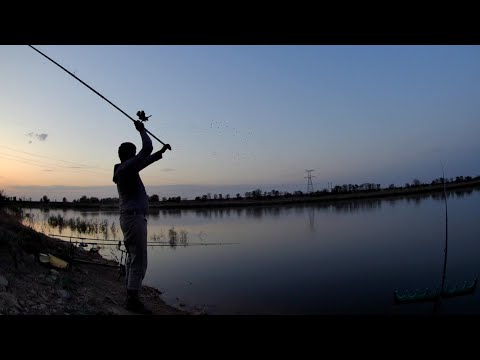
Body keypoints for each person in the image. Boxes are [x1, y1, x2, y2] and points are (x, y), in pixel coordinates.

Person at [112, 120, 171, 314]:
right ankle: (132, 300)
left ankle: (131, 295)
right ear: (129, 155)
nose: (137, 155)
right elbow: (147, 148)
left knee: (132, 258)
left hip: (131, 219)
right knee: (139, 261)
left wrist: (160, 154)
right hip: (134, 219)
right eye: (134, 152)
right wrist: (142, 130)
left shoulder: (125, 169)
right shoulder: (126, 169)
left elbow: (145, 159)